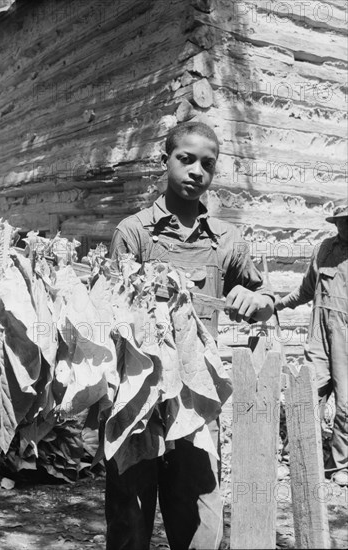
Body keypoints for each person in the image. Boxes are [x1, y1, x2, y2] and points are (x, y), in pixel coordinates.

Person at [107, 121, 275, 550]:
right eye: (186, 159)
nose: (196, 170)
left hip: (197, 399)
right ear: (166, 160)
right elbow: (108, 311)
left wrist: (254, 298)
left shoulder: (227, 240)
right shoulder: (134, 232)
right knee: (130, 516)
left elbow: (264, 300)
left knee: (200, 517)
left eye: (207, 164)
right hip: (138, 395)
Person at [276, 204, 348, 487]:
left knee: (346, 405)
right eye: (341, 222)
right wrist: (279, 303)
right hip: (319, 334)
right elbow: (306, 290)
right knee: (306, 395)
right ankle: (294, 457)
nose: (344, 227)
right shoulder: (323, 250)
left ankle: (339, 466)